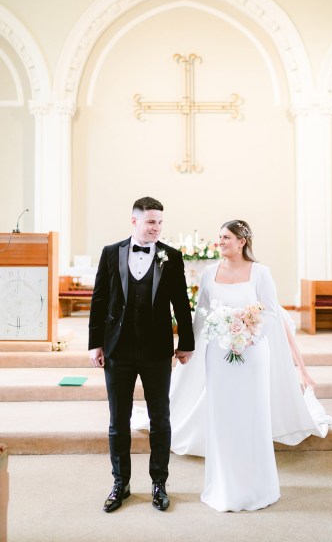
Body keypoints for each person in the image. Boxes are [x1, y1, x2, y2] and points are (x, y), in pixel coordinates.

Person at [161, 219, 332, 512]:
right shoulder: (208, 273)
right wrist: (188, 348)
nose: (221, 242)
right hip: (217, 354)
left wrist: (247, 329)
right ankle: (223, 485)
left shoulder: (261, 273)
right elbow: (201, 313)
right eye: (219, 237)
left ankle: (257, 485)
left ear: (242, 241)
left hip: (252, 353)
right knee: (222, 415)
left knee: (250, 414)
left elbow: (270, 314)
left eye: (226, 237)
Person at [89, 196, 195, 513]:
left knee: (160, 419)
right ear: (134, 221)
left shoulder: (171, 256)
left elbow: (182, 303)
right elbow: (99, 299)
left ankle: (159, 484)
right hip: (117, 349)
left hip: (157, 351)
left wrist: (186, 343)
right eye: (151, 222)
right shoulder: (111, 253)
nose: (156, 228)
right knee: (117, 420)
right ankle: (120, 484)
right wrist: (95, 343)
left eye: (160, 222)